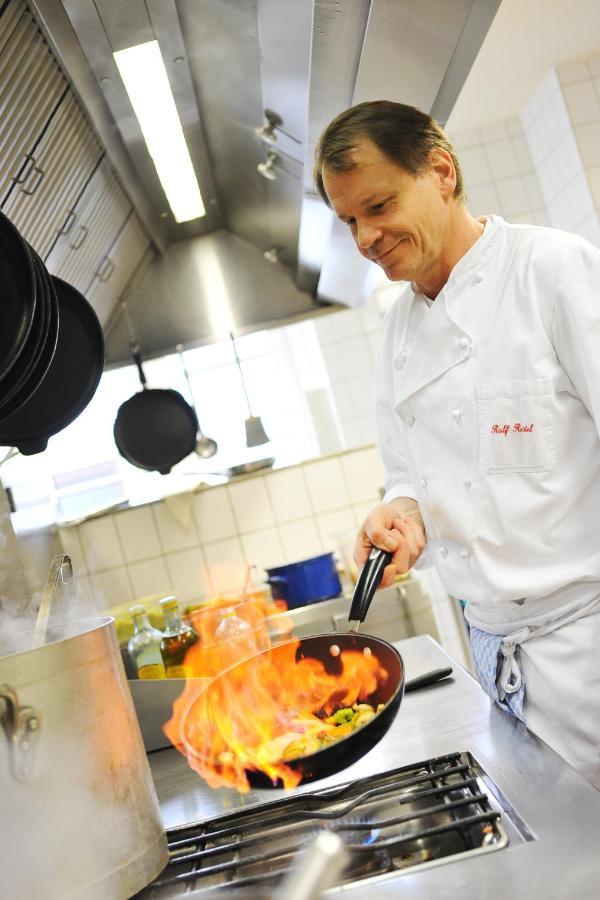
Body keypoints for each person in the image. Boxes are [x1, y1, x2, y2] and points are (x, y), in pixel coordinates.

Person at [313, 100, 600, 788]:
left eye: (378, 206)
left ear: (441, 171)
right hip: (497, 653)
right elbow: (408, 473)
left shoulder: (552, 271)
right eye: (349, 219)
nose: (364, 238)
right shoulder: (398, 334)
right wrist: (401, 516)